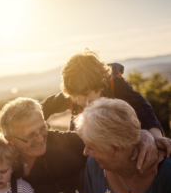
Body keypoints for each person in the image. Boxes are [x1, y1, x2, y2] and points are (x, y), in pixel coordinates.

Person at [0, 97, 161, 193]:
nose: (40, 138)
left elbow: (111, 136)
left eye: (42, 128)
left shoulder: (66, 144)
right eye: (30, 135)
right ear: (10, 139)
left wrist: (144, 135)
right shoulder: (0, 161)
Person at [41, 49, 171, 156]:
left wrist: (156, 136)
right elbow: (44, 107)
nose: (79, 101)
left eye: (86, 95)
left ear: (103, 84)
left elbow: (141, 107)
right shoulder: (73, 92)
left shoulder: (117, 86)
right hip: (81, 138)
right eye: (73, 96)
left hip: (113, 137)